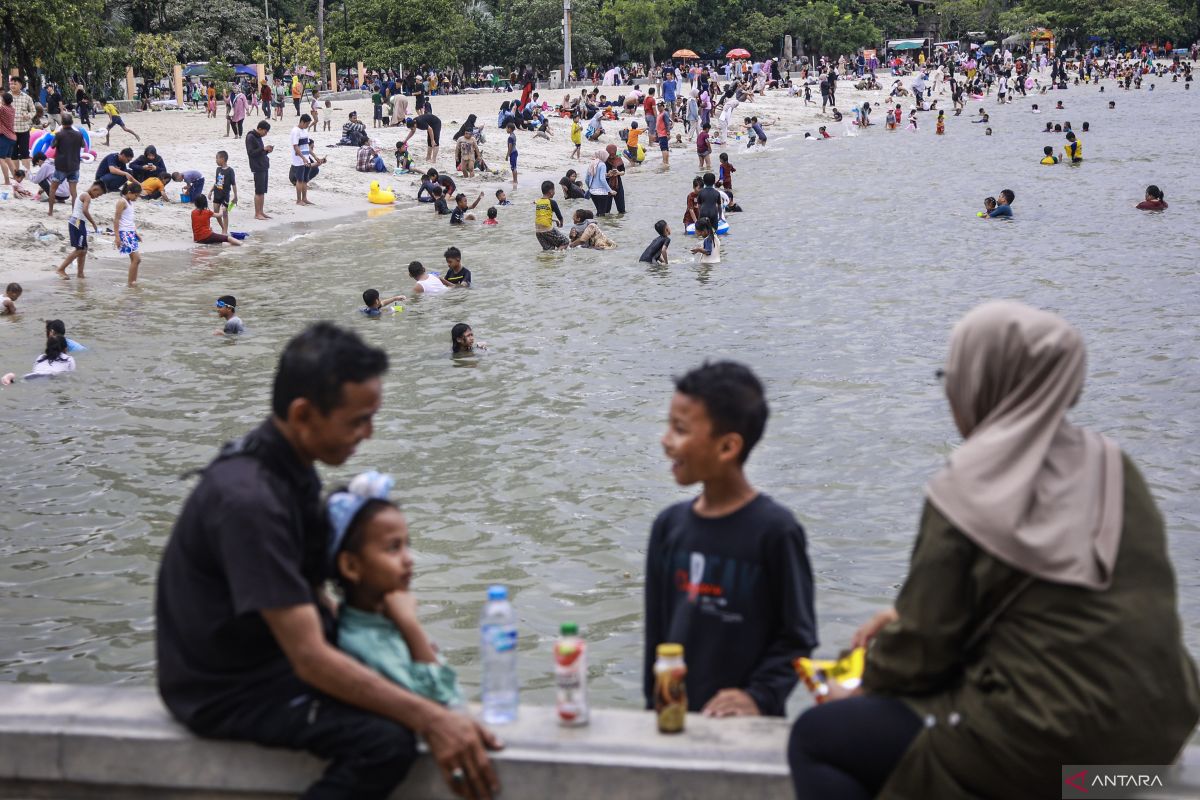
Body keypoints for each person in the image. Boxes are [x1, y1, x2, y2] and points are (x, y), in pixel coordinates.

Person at [787, 301, 1200, 800]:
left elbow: (921, 650)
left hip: (1056, 757)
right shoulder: (1113, 465)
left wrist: (859, 687)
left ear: (984, 382)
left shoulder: (971, 481)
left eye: (952, 377)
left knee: (818, 738)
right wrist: (904, 617)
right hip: (1149, 752)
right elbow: (1065, 603)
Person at [155, 323, 502, 800]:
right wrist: (434, 720)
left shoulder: (288, 472)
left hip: (265, 659)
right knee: (384, 742)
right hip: (225, 688)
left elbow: (311, 595)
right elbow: (310, 657)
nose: (368, 433)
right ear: (303, 415)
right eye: (358, 421)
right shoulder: (250, 500)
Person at [645, 360, 816, 718]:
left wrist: (758, 697)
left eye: (680, 429)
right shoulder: (668, 528)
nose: (665, 440)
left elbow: (797, 637)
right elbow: (657, 637)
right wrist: (653, 708)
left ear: (727, 447)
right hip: (675, 719)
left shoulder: (776, 532)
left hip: (745, 728)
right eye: (669, 426)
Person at [327, 472, 465, 708]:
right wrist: (410, 626)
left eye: (406, 545)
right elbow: (445, 703)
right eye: (393, 548)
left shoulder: (383, 621)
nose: (409, 559)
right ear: (351, 566)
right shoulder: (361, 643)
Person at [56, 182, 102, 278]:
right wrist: (93, 222)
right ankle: (61, 269)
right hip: (77, 223)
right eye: (98, 194)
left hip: (78, 222)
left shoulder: (83, 194)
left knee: (84, 250)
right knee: (79, 250)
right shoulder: (87, 196)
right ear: (94, 189)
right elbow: (85, 210)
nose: (97, 197)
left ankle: (80, 273)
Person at [47, 112, 84, 216]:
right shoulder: (79, 134)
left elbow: (52, 146)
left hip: (61, 166)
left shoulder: (59, 134)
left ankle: (50, 211)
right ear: (72, 123)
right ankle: (74, 212)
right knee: (74, 192)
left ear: (62, 123)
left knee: (53, 189)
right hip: (74, 165)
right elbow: (83, 144)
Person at [113, 182, 142, 286]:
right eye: (136, 195)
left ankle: (132, 282)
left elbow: (130, 220)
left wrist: (135, 233)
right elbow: (116, 219)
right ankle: (131, 283)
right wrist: (117, 237)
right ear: (129, 192)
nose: (137, 198)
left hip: (130, 232)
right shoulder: (122, 202)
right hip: (124, 232)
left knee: (136, 260)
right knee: (136, 259)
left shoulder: (130, 202)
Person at [245, 120, 273, 220]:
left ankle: (261, 211)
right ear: (260, 129)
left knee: (263, 191)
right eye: (265, 131)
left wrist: (267, 151)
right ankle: (257, 213)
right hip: (257, 167)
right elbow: (251, 153)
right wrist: (263, 149)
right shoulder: (251, 137)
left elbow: (260, 152)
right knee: (259, 191)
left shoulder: (258, 137)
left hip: (263, 165)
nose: (266, 134)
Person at [9, 77, 36, 170]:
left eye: (15, 84)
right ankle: (16, 173)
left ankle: (27, 172)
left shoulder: (27, 97)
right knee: (13, 153)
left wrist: (28, 116)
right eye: (11, 84)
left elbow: (33, 111)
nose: (12, 85)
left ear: (20, 85)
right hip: (10, 130)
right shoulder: (5, 97)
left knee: (25, 152)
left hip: (23, 128)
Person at [535, 180, 569, 250]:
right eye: (554, 190)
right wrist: (561, 223)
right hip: (547, 229)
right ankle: (558, 257)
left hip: (538, 231)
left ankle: (550, 260)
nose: (554, 192)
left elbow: (542, 216)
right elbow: (560, 216)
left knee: (549, 250)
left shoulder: (538, 202)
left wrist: (554, 220)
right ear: (551, 191)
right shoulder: (552, 202)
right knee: (565, 242)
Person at [210, 150, 237, 235]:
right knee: (216, 213)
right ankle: (223, 228)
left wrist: (235, 196)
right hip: (217, 195)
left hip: (225, 195)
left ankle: (225, 231)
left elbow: (233, 184)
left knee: (225, 212)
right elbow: (217, 182)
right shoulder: (218, 169)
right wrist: (210, 191)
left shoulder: (230, 171)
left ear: (223, 159)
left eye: (217, 158)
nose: (216, 160)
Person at [505, 122, 518, 187]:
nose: (506, 129)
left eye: (506, 128)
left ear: (510, 129)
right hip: (515, 152)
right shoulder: (513, 135)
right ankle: (515, 180)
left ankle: (515, 181)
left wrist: (507, 155)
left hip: (512, 153)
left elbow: (510, 147)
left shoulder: (510, 137)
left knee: (513, 167)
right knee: (514, 167)